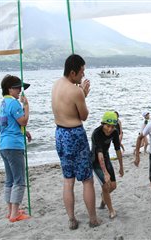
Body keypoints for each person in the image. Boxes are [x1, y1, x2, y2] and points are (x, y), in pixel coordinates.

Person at [51, 54, 100, 229]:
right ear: (73, 72)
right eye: (81, 72)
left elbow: (67, 108)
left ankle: (72, 219)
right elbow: (83, 116)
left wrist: (80, 93)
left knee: (68, 179)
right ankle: (93, 218)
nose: (83, 75)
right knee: (87, 180)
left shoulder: (56, 84)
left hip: (60, 134)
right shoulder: (75, 90)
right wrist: (84, 93)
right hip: (75, 134)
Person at [0, 75, 31, 222]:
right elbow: (23, 121)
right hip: (14, 145)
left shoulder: (3, 103)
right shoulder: (14, 103)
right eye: (17, 87)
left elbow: (10, 124)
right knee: (19, 179)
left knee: (9, 179)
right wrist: (26, 106)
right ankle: (15, 214)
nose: (20, 91)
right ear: (10, 89)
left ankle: (10, 210)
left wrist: (25, 132)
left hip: (4, 145)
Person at [91, 111, 124, 219]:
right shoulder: (96, 133)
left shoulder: (114, 132)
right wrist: (105, 173)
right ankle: (111, 210)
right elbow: (99, 153)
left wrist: (121, 167)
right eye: (107, 126)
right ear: (102, 124)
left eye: (112, 127)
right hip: (95, 160)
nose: (109, 129)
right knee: (106, 186)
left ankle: (103, 197)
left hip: (106, 157)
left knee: (113, 186)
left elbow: (118, 149)